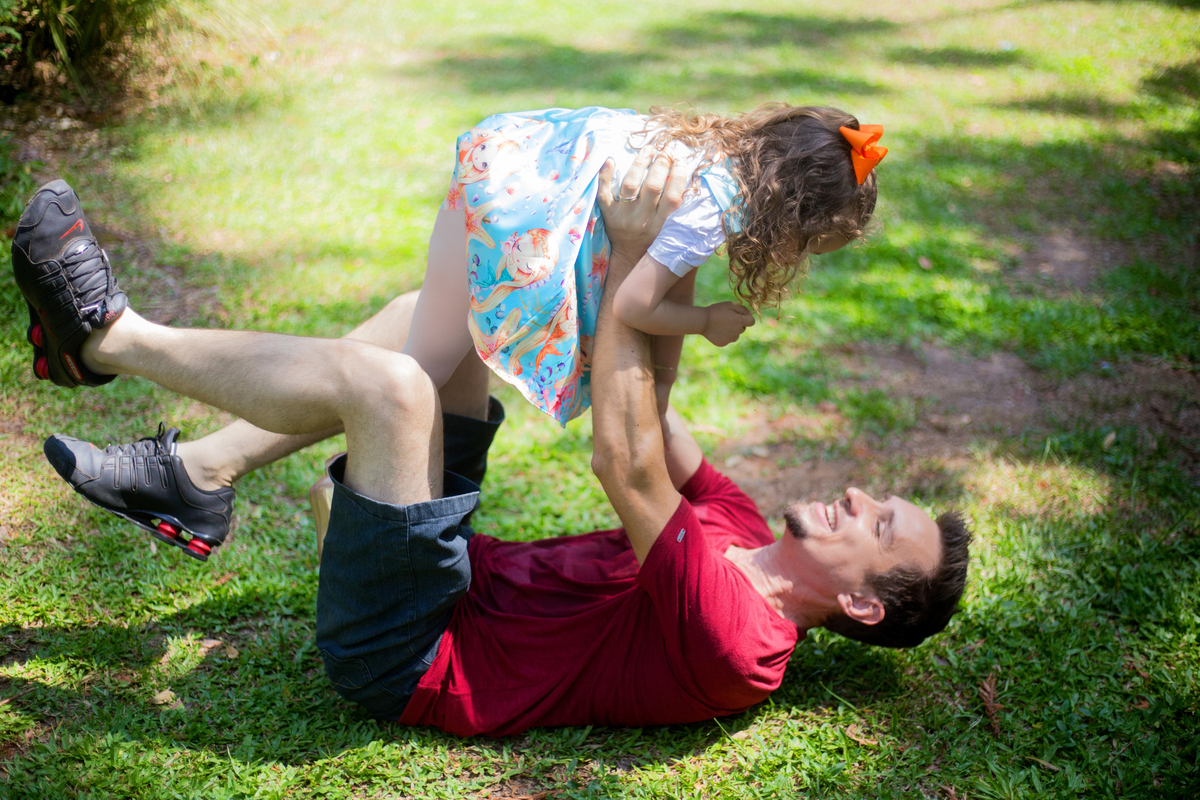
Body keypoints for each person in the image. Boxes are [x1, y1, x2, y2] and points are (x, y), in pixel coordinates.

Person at [11, 154, 970, 736]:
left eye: (878, 521)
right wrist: (658, 255)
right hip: (454, 565)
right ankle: (200, 475)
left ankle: (103, 336)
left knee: (386, 389)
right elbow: (652, 402)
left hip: (411, 650)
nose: (857, 496)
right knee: (453, 314)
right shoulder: (737, 522)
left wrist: (639, 254)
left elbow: (624, 459)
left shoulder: (742, 645)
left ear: (859, 602)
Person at [379, 104, 885, 427]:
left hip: (506, 158)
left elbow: (673, 273)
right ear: (792, 216)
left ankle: (362, 465)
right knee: (423, 367)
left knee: (428, 352)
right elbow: (637, 303)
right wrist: (706, 322)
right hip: (509, 201)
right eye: (805, 246)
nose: (791, 259)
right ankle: (359, 473)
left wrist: (662, 388)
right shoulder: (715, 209)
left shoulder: (723, 157)